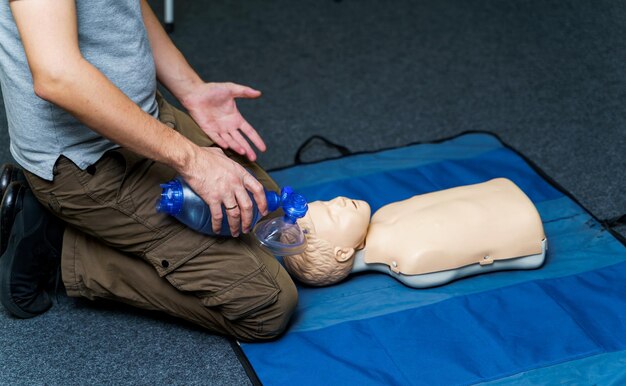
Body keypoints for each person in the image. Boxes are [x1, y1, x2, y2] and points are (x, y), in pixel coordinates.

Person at [0, 0, 296, 341]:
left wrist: (190, 89)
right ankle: (56, 246)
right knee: (267, 303)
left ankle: (76, 221)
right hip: (86, 162)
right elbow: (57, 77)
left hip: (145, 116)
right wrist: (192, 160)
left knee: (267, 217)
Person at [283, 178, 547, 288]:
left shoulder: (386, 214)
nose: (338, 200)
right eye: (333, 213)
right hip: (522, 224)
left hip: (501, 194)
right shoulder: (412, 261)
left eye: (326, 203)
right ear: (343, 253)